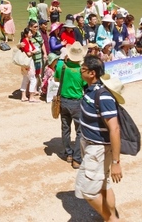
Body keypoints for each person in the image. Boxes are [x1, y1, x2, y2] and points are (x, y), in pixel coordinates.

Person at [75, 56, 124, 222]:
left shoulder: (103, 96)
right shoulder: (90, 89)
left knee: (86, 190)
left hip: (97, 149)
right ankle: (111, 216)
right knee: (104, 184)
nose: (80, 71)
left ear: (92, 73)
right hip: (91, 145)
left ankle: (111, 219)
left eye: (82, 69)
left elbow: (115, 129)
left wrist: (116, 163)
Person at [55, 43, 87, 169]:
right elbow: (85, 84)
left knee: (65, 128)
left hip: (63, 100)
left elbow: (57, 79)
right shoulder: (82, 69)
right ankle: (77, 159)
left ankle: (68, 154)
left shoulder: (61, 66)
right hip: (77, 102)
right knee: (79, 131)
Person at [18, 27, 41, 103]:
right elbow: (28, 53)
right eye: (30, 33)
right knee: (33, 79)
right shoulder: (25, 41)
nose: (31, 34)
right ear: (26, 34)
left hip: (25, 63)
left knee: (25, 79)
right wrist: (34, 52)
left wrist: (34, 50)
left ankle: (23, 96)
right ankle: (31, 96)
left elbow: (33, 49)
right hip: (28, 63)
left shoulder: (28, 41)